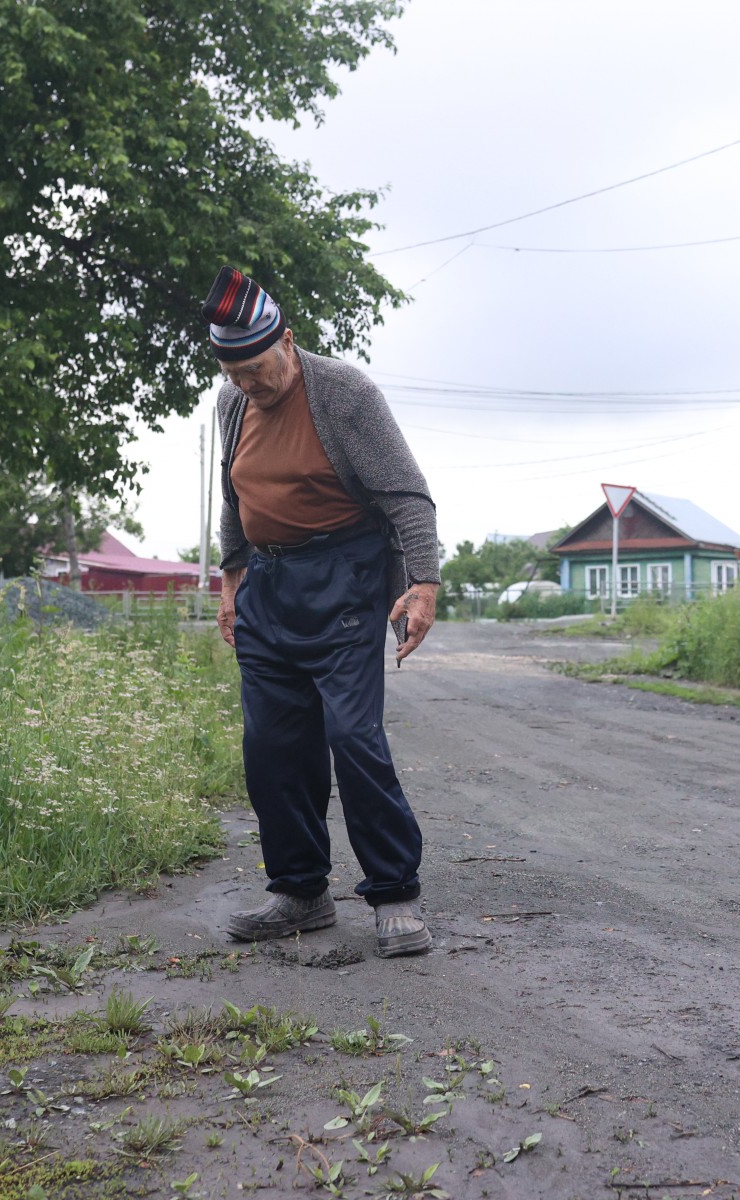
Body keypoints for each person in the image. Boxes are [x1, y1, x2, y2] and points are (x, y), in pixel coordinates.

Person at [204, 267, 441, 958]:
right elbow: (234, 496)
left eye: (257, 369)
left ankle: (394, 893)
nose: (249, 384)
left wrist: (422, 583)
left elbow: (408, 496)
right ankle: (301, 891)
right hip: (268, 585)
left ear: (287, 342)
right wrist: (231, 576)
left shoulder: (344, 394)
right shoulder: (231, 402)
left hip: (347, 576)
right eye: (234, 373)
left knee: (352, 736)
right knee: (272, 747)